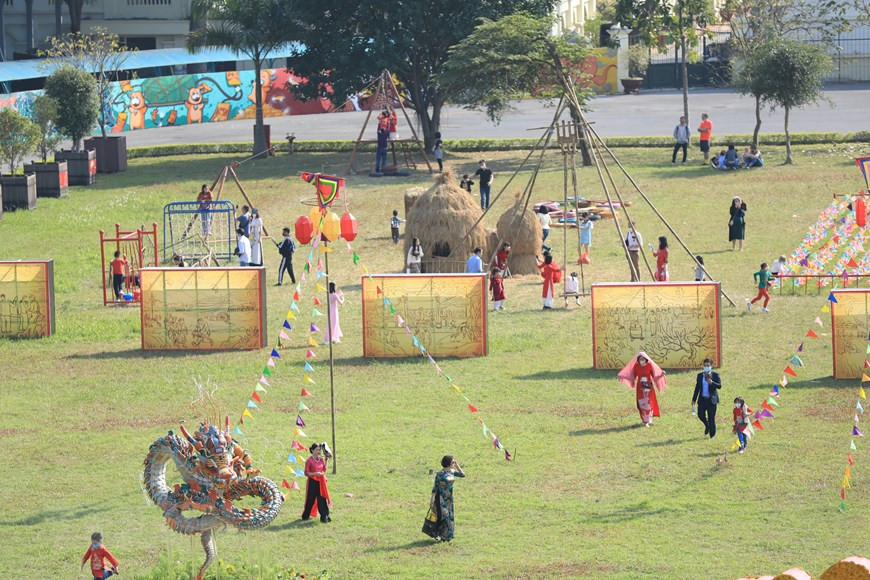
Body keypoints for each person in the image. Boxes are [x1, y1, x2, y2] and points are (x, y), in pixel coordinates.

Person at [618, 352, 667, 427]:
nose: (641, 360)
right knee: (642, 403)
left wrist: (661, 375)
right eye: (640, 359)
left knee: (648, 403)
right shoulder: (636, 366)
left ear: (646, 359)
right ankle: (645, 420)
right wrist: (623, 376)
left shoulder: (649, 365)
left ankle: (648, 420)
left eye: (643, 359)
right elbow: (633, 376)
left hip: (648, 387)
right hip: (640, 388)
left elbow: (654, 376)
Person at [427, 455, 465, 542]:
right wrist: (431, 500)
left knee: (450, 517)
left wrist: (457, 466)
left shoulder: (451, 471)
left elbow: (463, 475)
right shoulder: (440, 474)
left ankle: (446, 537)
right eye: (452, 462)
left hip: (449, 498)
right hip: (440, 497)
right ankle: (438, 533)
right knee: (445, 517)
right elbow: (435, 487)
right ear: (448, 463)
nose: (453, 463)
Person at [691, 358, 722, 439]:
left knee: (711, 418)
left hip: (711, 400)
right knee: (700, 415)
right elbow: (697, 388)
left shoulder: (715, 375)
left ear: (711, 366)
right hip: (702, 400)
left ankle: (712, 435)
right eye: (705, 366)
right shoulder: (700, 376)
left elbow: (719, 386)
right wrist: (694, 399)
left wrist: (712, 382)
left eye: (708, 366)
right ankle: (707, 425)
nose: (706, 367)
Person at [301, 443, 331, 523]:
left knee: (322, 499)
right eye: (317, 450)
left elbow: (324, 469)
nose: (318, 452)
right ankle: (306, 515)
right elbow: (306, 473)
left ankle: (325, 516)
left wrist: (327, 460)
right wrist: (315, 474)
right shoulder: (309, 461)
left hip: (320, 482)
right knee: (310, 499)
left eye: (319, 450)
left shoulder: (321, 460)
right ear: (312, 451)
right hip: (312, 482)